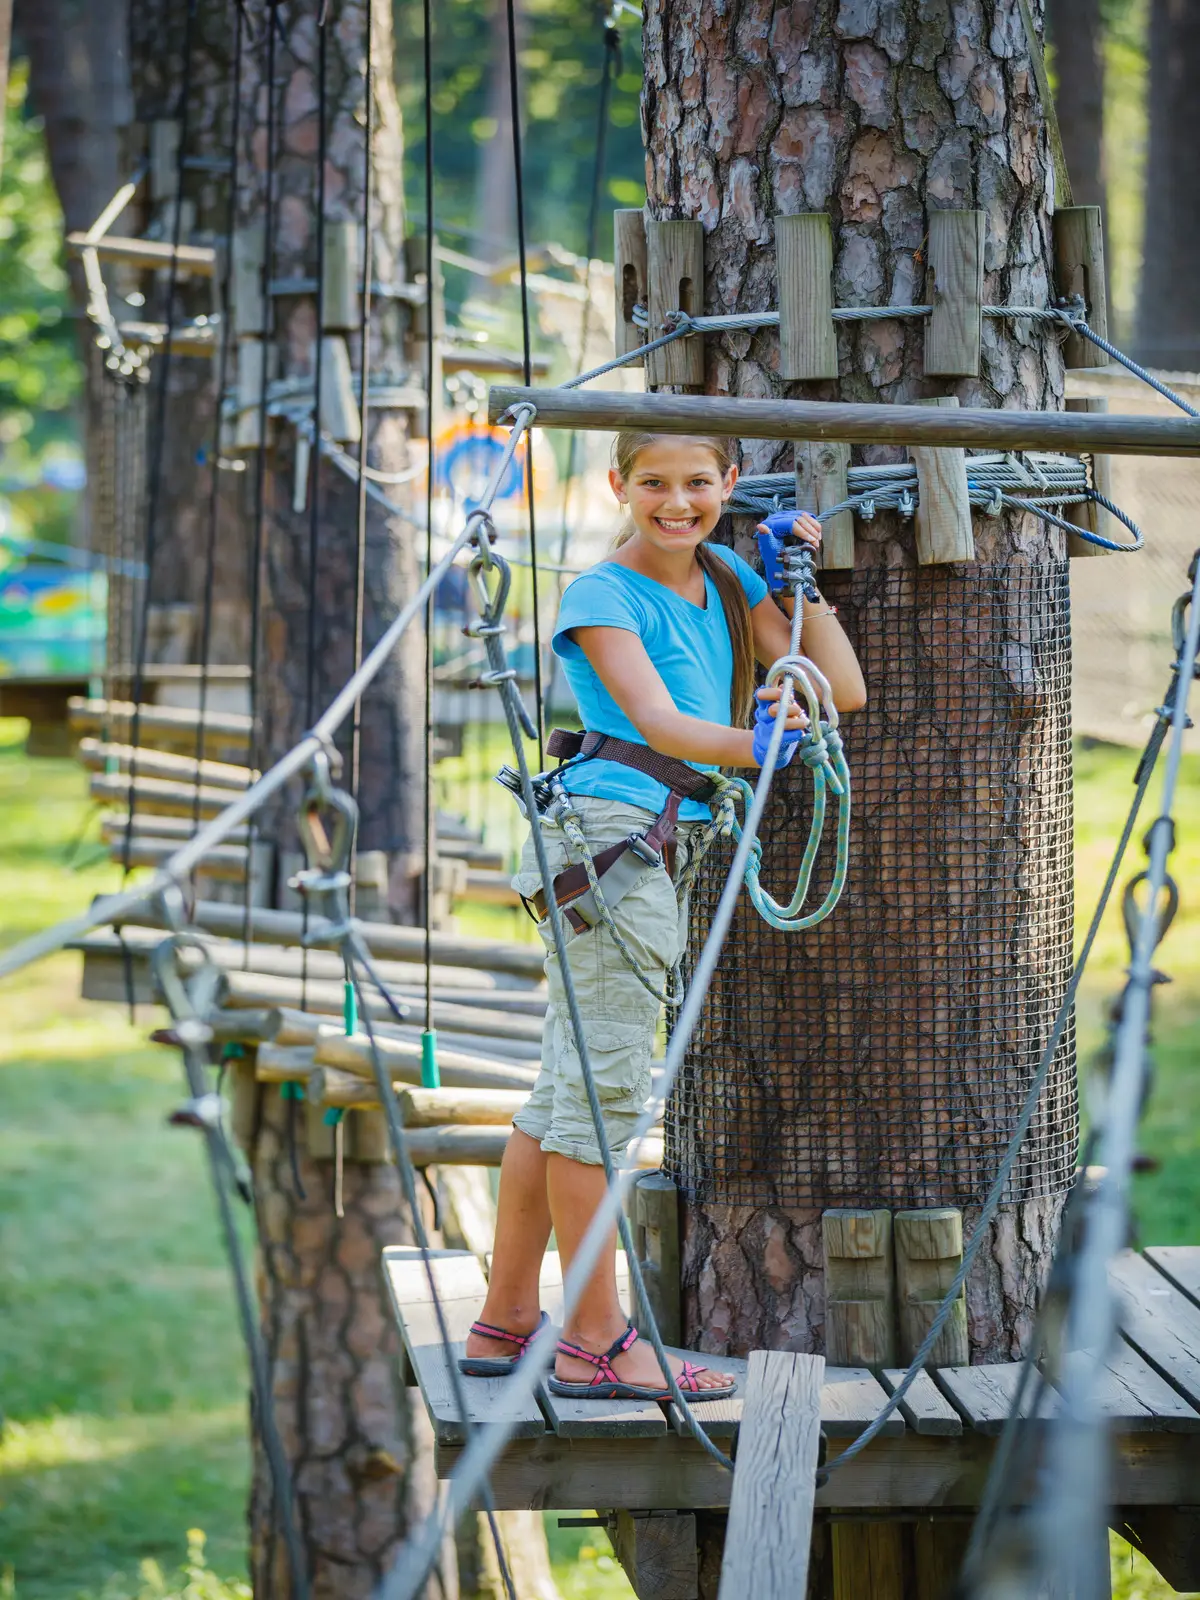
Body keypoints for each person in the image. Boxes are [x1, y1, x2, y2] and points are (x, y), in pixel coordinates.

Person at [460, 432, 866, 1400]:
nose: (676, 503)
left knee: (563, 1096)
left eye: (697, 483)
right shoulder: (601, 595)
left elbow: (842, 688)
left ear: (729, 484)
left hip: (643, 846)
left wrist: (796, 586)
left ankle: (505, 1319)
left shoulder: (727, 577)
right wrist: (755, 743)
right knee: (600, 1104)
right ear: (620, 486)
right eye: (653, 483)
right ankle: (595, 1340)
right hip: (611, 846)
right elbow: (660, 723)